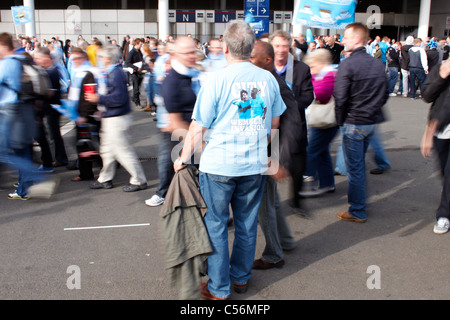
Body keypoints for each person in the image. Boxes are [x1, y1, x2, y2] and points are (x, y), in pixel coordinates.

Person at [173, 20, 285, 300]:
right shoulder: (268, 79)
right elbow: (274, 123)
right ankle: (240, 279)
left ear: (224, 47)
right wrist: (268, 156)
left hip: (220, 164)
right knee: (247, 225)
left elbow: (198, 127)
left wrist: (183, 158)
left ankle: (218, 288)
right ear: (250, 48)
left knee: (217, 225)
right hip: (253, 165)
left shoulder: (217, 80)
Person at [249, 40, 298, 270]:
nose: (247, 62)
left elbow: (292, 123)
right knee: (270, 203)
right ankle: (284, 242)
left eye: (252, 58)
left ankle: (274, 255)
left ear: (266, 61)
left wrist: (280, 160)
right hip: (265, 153)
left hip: (269, 155)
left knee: (264, 207)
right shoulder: (262, 80)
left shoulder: (275, 84)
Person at [334, 23, 388, 223]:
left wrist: (340, 121)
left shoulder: (348, 64)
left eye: (346, 37)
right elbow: (384, 94)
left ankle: (357, 210)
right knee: (358, 166)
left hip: (354, 122)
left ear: (357, 39)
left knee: (355, 169)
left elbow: (340, 97)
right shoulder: (376, 63)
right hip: (370, 122)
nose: (343, 40)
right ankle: (360, 204)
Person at [0, 32, 57, 200]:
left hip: (10, 111)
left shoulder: (6, 64)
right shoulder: (21, 60)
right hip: (25, 110)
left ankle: (39, 179)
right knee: (22, 151)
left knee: (5, 152)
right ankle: (24, 190)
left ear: (4, 47)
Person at [145, 37, 200, 207]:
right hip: (183, 138)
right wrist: (201, 143)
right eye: (188, 53)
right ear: (176, 55)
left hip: (196, 135)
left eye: (194, 51)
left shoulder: (196, 74)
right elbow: (176, 124)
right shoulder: (172, 82)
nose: (193, 56)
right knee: (185, 180)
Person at [85, 45, 147, 192]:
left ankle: (139, 179)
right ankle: (105, 178)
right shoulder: (113, 72)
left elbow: (119, 98)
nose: (99, 59)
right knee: (107, 150)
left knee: (122, 151)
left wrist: (98, 99)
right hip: (113, 116)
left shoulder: (115, 74)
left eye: (101, 57)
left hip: (116, 118)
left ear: (106, 58)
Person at [269, 29, 314, 208]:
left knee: (297, 167)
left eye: (285, 46)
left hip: (295, 125)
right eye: (277, 46)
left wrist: (289, 107)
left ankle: (296, 201)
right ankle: (268, 204)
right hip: (271, 128)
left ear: (290, 48)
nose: (281, 50)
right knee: (269, 167)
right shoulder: (265, 68)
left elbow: (308, 96)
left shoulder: (301, 68)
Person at [299, 49, 338, 197]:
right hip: (323, 121)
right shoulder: (325, 74)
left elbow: (322, 94)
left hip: (325, 121)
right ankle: (327, 184)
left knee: (311, 152)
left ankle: (306, 182)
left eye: (313, 66)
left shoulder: (329, 75)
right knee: (322, 153)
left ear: (321, 63)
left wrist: (309, 84)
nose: (311, 70)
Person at [420, 58, 450, 234]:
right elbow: (426, 95)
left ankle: (444, 215)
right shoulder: (441, 67)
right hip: (440, 130)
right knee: (444, 173)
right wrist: (441, 75)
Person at [144, 41, 171, 207]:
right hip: (167, 124)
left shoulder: (182, 77)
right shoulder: (168, 76)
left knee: (166, 160)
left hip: (176, 126)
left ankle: (162, 192)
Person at [33, 47, 68, 171]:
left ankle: (59, 159)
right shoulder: (48, 70)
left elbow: (52, 93)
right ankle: (59, 158)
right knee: (53, 135)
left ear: (46, 58)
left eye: (38, 58)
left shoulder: (51, 71)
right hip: (50, 108)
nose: (36, 60)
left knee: (53, 135)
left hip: (51, 108)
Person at [126, 38, 144, 108]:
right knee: (136, 87)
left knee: (138, 87)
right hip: (135, 72)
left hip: (140, 71)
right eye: (140, 44)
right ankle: (137, 102)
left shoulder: (139, 51)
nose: (141, 46)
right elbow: (128, 63)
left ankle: (134, 98)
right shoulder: (131, 52)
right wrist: (136, 68)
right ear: (136, 44)